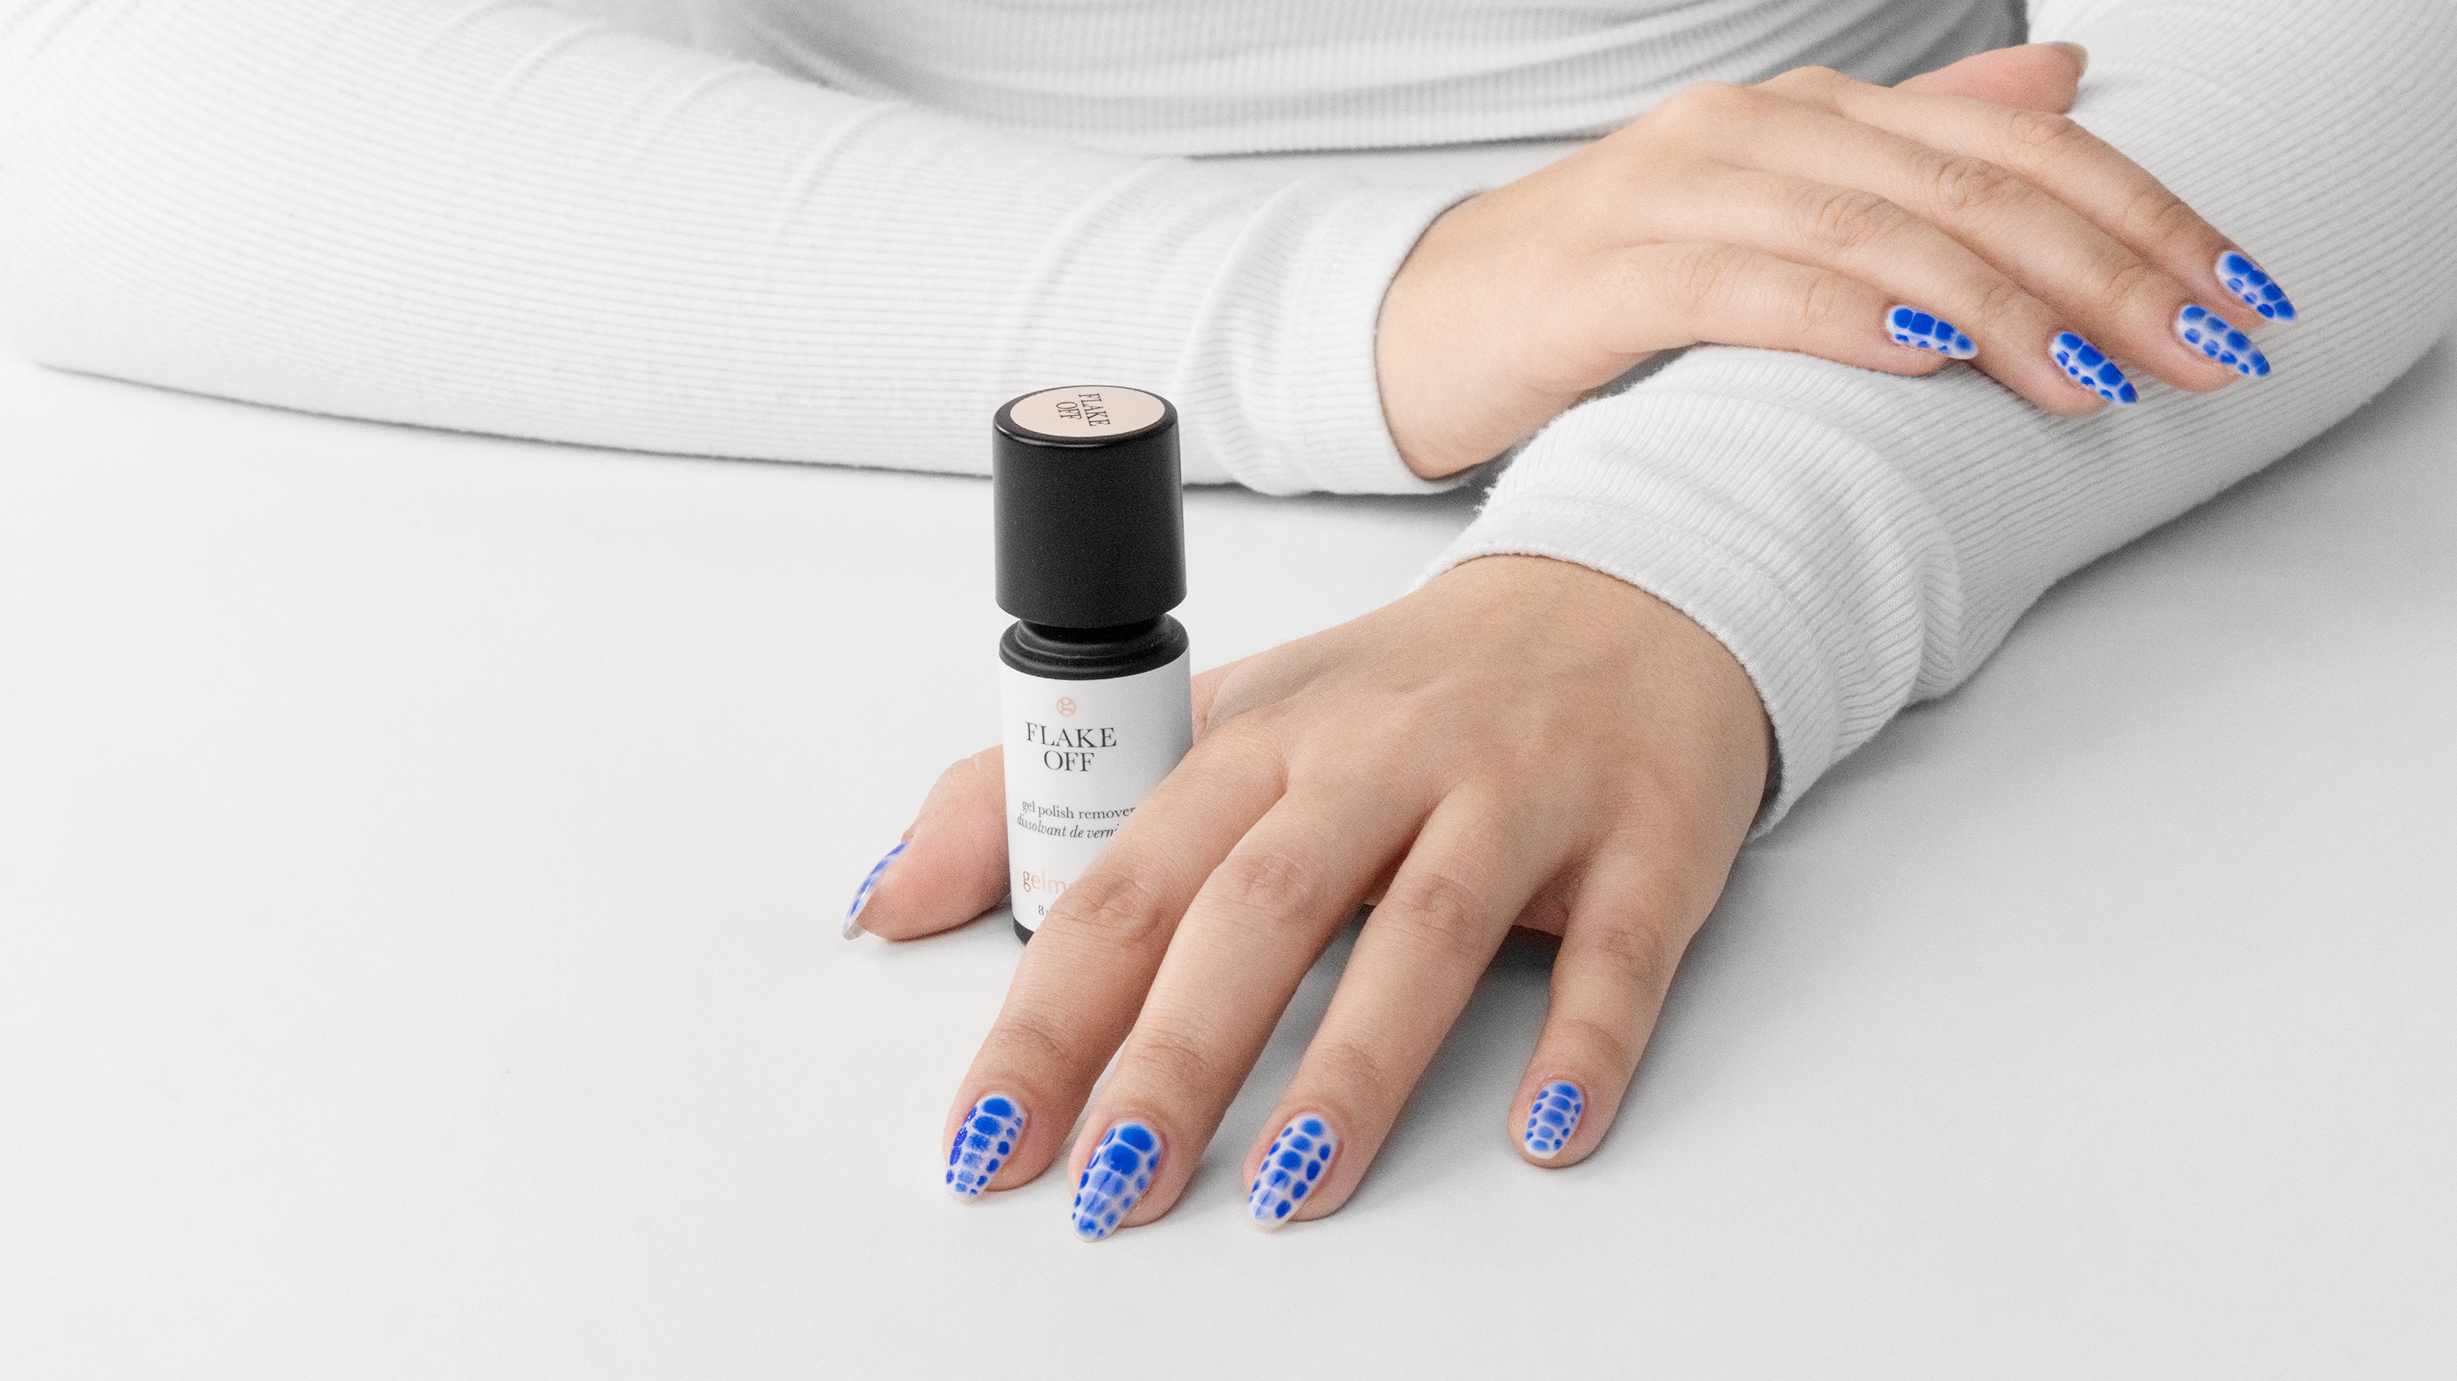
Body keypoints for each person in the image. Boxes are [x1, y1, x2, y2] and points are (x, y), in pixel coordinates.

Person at [4, 0, 2452, 1240]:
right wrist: (1370, 308)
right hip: (561, 451)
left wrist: (1678, 567)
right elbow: (103, 90)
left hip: (1993, 434)